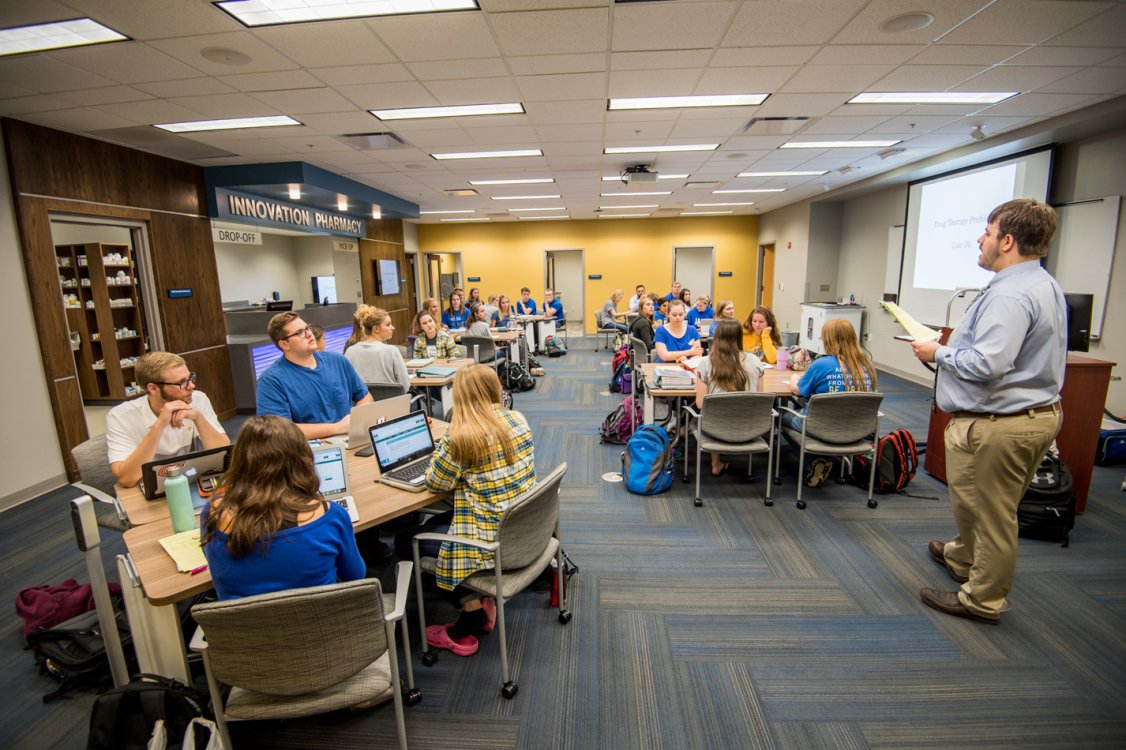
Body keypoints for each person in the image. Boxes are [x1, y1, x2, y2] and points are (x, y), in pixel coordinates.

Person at [910, 198, 1065, 626]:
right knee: (976, 503)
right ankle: (962, 556)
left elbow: (989, 364)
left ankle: (982, 598)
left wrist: (937, 352)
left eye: (988, 231)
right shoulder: (1040, 284)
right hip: (1025, 414)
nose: (980, 239)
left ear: (1008, 241)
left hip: (1003, 423)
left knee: (993, 514)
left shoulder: (1011, 295)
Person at [397, 364, 536, 657]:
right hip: (519, 527)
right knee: (443, 519)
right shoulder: (517, 418)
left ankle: (470, 610)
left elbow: (436, 482)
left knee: (405, 540)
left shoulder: (461, 438)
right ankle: (476, 598)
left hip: (487, 541)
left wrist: (439, 452)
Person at [200, 415, 365, 601]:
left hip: (244, 628)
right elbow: (355, 577)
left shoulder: (213, 512)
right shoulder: (331, 516)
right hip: (322, 626)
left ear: (239, 460)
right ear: (303, 460)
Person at [106, 351, 229, 487]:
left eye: (190, 378)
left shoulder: (198, 400)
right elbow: (127, 479)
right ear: (153, 388)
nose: (191, 386)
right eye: (181, 382)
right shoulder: (120, 416)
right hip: (146, 488)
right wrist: (160, 425)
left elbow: (225, 455)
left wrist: (198, 418)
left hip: (187, 480)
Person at [256, 312, 372, 439]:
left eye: (307, 328)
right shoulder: (271, 380)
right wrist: (337, 428)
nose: (309, 334)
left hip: (349, 439)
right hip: (307, 450)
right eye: (300, 332)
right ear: (284, 344)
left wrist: (356, 419)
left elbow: (365, 396)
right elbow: (278, 431)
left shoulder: (337, 360)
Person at [694, 319, 765, 475]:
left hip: (715, 429)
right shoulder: (755, 361)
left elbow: (700, 404)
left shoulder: (706, 363)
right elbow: (760, 397)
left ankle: (715, 462)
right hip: (750, 428)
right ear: (740, 337)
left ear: (717, 337)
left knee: (706, 414)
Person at [782, 317, 876, 431]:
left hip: (819, 428)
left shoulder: (821, 365)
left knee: (780, 415)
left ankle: (801, 448)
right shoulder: (868, 365)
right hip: (857, 428)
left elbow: (797, 390)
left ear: (829, 340)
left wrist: (794, 378)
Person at [343, 307, 411, 391]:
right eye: (388, 324)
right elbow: (405, 385)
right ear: (376, 329)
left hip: (361, 403)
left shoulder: (350, 351)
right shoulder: (392, 351)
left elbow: (345, 383)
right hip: (391, 402)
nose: (393, 328)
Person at [654, 299, 704, 363]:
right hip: (665, 369)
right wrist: (689, 352)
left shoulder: (693, 330)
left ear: (685, 314)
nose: (678, 317)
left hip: (687, 368)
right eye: (674, 315)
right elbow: (664, 356)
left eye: (681, 314)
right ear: (667, 314)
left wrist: (687, 360)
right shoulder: (661, 330)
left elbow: (698, 354)